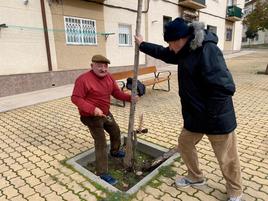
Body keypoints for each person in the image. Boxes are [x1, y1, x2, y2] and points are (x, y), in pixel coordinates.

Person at [134, 18, 242, 201]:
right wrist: (142, 44)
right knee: (184, 143)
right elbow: (163, 53)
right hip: (195, 117)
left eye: (170, 44)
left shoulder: (208, 50)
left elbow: (225, 87)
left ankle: (235, 192)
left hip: (216, 118)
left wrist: (211, 115)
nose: (169, 48)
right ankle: (196, 177)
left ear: (180, 39)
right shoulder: (186, 50)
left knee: (227, 158)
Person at [71, 54, 137, 185]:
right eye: (99, 66)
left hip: (105, 114)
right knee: (101, 142)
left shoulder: (109, 78)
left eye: (105, 66)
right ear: (92, 66)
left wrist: (130, 98)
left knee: (115, 131)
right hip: (90, 117)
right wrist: (92, 109)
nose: (103, 69)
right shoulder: (83, 80)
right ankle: (102, 173)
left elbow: (116, 93)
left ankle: (115, 151)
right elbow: (75, 98)